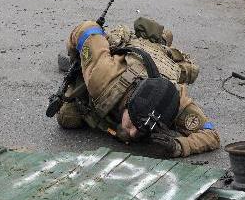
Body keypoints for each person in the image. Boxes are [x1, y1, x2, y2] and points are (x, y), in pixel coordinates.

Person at [56, 17, 220, 157]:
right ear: (128, 104)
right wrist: (76, 60)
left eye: (143, 128)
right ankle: (155, 39)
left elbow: (211, 136)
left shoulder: (174, 100)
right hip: (124, 61)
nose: (133, 133)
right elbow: (87, 29)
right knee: (67, 117)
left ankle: (161, 42)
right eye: (134, 122)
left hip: (162, 60)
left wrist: (178, 146)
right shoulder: (103, 78)